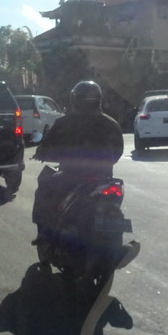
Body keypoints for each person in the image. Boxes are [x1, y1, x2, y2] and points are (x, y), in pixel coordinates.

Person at [31, 80, 124, 244]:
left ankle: (45, 233)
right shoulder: (111, 124)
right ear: (99, 100)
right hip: (104, 179)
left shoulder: (64, 123)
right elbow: (118, 152)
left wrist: (42, 153)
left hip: (71, 177)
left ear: (75, 100)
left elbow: (45, 148)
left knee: (45, 183)